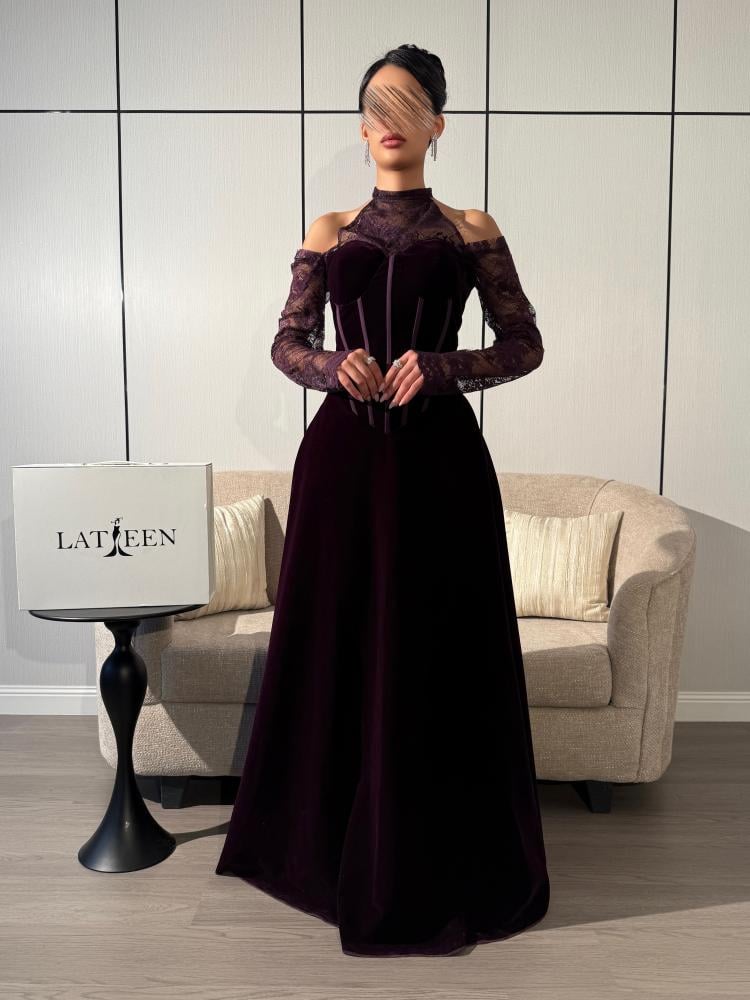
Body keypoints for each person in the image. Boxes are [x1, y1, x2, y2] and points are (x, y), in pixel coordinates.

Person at [215, 43, 550, 957]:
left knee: (436, 641)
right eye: (376, 106)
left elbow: (524, 343)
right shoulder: (328, 229)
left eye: (408, 106)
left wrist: (440, 367)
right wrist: (334, 365)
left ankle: (438, 847)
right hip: (342, 467)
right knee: (340, 638)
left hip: (442, 466)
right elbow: (287, 342)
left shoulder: (472, 227)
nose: (390, 120)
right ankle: (326, 845)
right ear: (362, 128)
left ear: (437, 125)